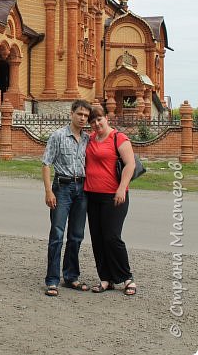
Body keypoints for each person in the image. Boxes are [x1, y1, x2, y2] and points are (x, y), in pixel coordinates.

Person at [84, 105, 137, 296]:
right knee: (98, 239)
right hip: (91, 195)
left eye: (99, 119)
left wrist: (122, 187)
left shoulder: (118, 138)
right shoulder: (89, 139)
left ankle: (127, 277)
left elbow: (130, 164)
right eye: (92, 121)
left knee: (112, 237)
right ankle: (106, 279)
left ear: (106, 118)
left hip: (114, 196)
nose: (96, 124)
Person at [42, 99, 92, 297]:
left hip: (82, 188)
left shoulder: (87, 139)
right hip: (62, 187)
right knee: (57, 234)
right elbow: (46, 164)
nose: (82, 118)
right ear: (71, 113)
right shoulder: (58, 136)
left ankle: (71, 276)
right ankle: (52, 280)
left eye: (86, 116)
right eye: (79, 114)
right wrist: (48, 191)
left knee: (76, 235)